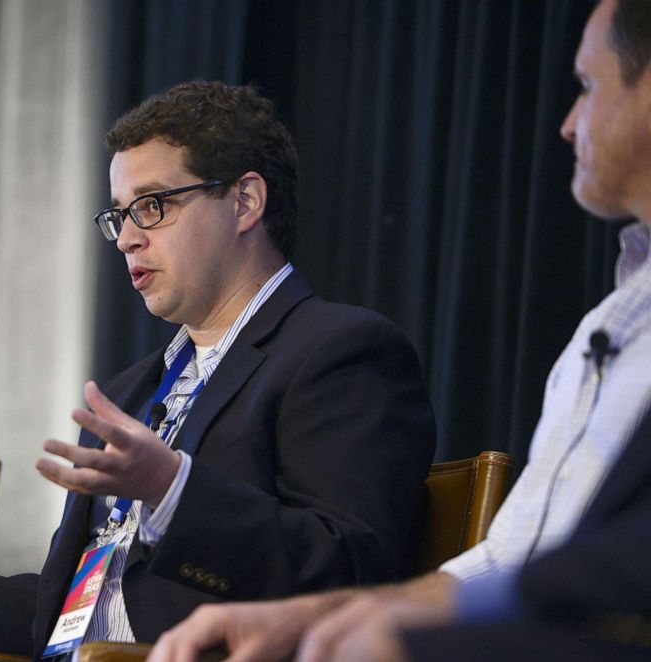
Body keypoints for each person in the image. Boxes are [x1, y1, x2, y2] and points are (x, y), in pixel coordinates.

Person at [0, 81, 436, 658]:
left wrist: (174, 491)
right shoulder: (130, 392)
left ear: (246, 201)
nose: (130, 237)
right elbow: (57, 615)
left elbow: (353, 572)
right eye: (119, 215)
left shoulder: (339, 351)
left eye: (154, 206)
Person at [147, 1, 651, 660]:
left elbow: (601, 579)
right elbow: (506, 559)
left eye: (586, 88)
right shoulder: (606, 324)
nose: (564, 125)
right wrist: (318, 618)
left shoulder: (338, 350)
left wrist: (416, 638)